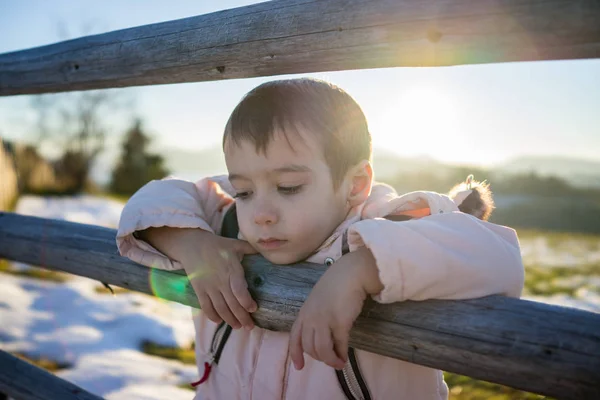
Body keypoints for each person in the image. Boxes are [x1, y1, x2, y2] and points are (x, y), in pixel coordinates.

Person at [116, 78, 524, 399]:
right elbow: (156, 198)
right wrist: (191, 244)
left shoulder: (392, 227)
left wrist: (361, 269)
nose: (260, 213)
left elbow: (499, 255)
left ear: (355, 184)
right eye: (243, 190)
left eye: (289, 187)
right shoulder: (226, 226)